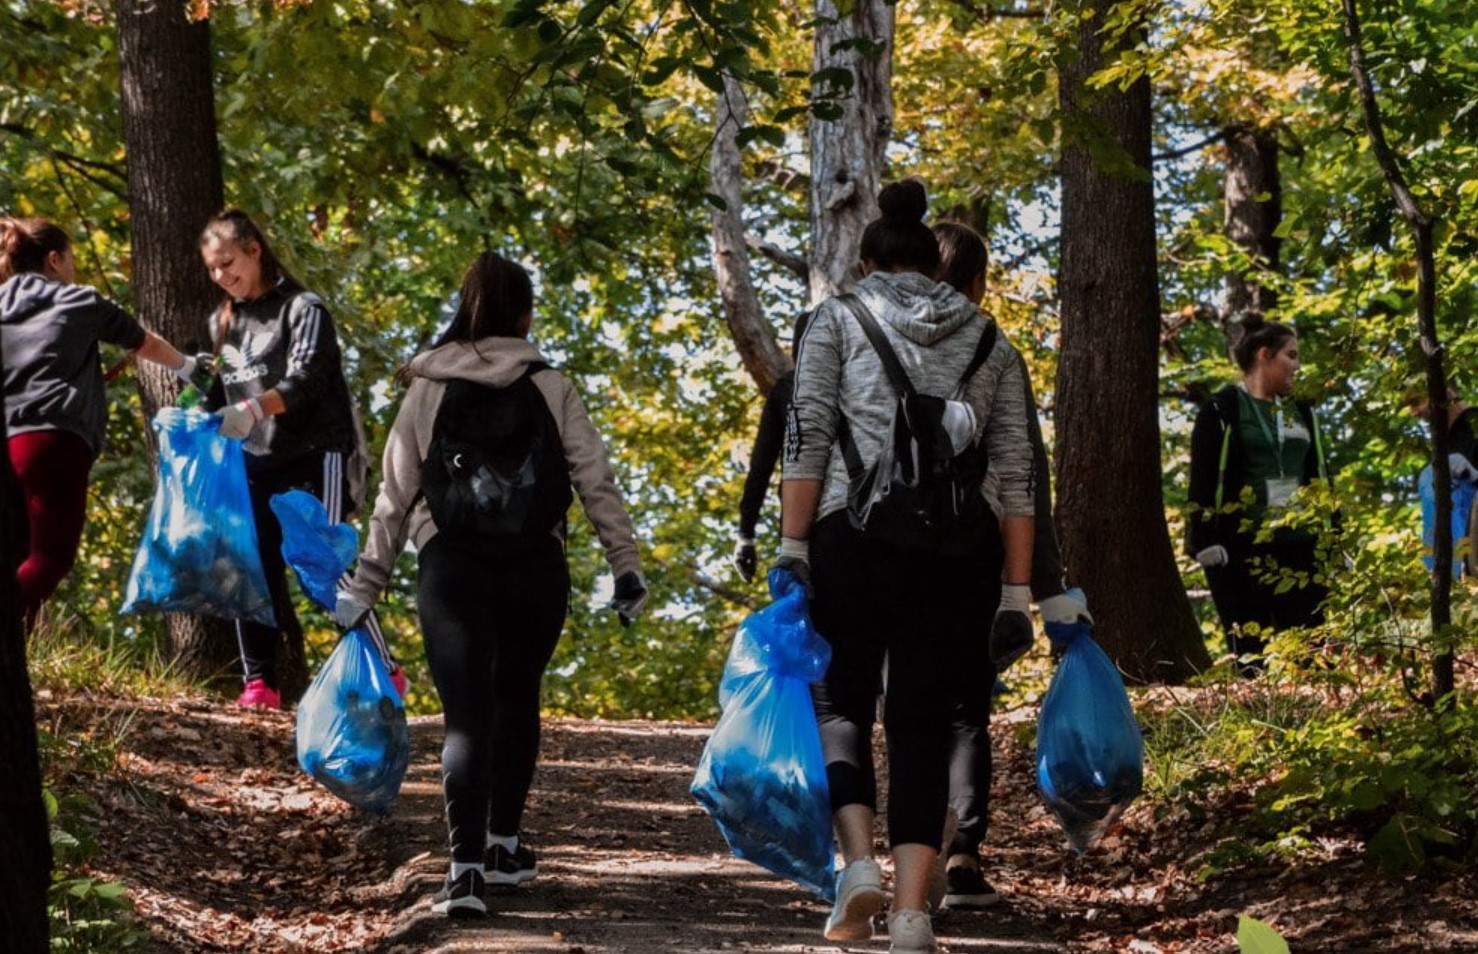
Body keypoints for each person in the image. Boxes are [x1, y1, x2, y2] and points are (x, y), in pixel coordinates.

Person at [332, 251, 647, 918]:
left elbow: (394, 494)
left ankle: (466, 872)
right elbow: (595, 479)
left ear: (466, 307)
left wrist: (367, 583)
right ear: (523, 312)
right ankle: (505, 845)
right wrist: (625, 565)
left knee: (467, 716)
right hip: (537, 566)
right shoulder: (549, 384)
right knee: (517, 698)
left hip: (451, 568)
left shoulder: (429, 385)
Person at [778, 179, 1035, 954]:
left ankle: (859, 864)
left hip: (851, 539)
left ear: (867, 262)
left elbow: (809, 432)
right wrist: (1017, 591)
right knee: (923, 721)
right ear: (934, 265)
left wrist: (792, 545)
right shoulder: (993, 341)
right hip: (961, 552)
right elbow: (1018, 472)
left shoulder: (835, 320)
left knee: (842, 705)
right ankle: (916, 914)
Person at [930, 221, 1090, 910]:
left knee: (907, 707)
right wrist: (1044, 590)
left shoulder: (868, 341)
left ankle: (903, 859)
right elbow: (1028, 474)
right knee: (966, 712)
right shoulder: (997, 351)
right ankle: (960, 853)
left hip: (885, 546)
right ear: (977, 284)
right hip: (979, 550)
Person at [196, 209, 399, 709]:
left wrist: (254, 407)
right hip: (252, 462)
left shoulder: (303, 308)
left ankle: (384, 669)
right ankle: (259, 684)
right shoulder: (221, 323)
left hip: (314, 455)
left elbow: (307, 380)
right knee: (250, 568)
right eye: (213, 270)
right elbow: (212, 392)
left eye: (228, 263)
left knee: (322, 561)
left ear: (253, 249)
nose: (223, 276)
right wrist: (192, 415)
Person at [2, 216, 204, 632]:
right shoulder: (78, 301)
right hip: (52, 442)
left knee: (18, 552)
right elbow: (143, 341)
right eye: (71, 259)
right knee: (50, 559)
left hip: (7, 441)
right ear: (54, 260)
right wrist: (188, 368)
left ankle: (16, 668)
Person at [1186, 313, 1331, 669]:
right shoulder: (1222, 409)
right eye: (1292, 356)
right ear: (1264, 355)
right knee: (1251, 654)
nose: (1298, 366)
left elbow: (1322, 474)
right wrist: (1202, 538)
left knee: (1312, 649)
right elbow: (1203, 475)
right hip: (1241, 547)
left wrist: (1334, 534)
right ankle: (1257, 720)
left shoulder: (1302, 410)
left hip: (1301, 544)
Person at [732, 314, 808, 582]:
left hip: (801, 520)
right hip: (871, 509)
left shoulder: (789, 387)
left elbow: (760, 468)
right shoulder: (864, 381)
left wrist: (746, 534)